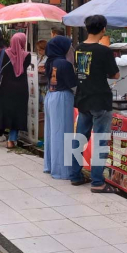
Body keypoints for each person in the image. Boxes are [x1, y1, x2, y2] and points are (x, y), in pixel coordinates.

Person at [70, 15, 120, 193]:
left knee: (79, 139)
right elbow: (115, 74)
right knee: (100, 141)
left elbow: (83, 72)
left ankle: (75, 175)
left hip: (84, 99)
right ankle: (98, 182)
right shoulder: (104, 51)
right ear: (103, 29)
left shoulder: (79, 48)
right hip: (100, 100)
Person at [0, 32, 32, 148]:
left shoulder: (3, 53)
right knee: (17, 114)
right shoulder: (27, 55)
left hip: (3, 88)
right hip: (20, 89)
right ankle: (11, 141)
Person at [43, 36, 78, 180]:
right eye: (69, 47)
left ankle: (51, 165)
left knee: (52, 132)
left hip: (50, 96)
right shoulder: (64, 63)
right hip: (62, 97)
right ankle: (63, 171)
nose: (71, 50)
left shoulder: (49, 61)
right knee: (63, 133)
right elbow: (72, 84)